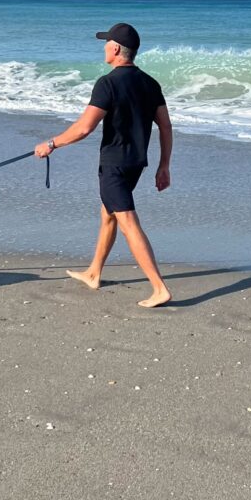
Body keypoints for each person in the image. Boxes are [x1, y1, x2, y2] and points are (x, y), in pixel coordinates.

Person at [34, 22, 172, 308]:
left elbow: (84, 128)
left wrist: (51, 144)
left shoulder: (107, 83)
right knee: (108, 214)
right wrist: (164, 165)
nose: (103, 47)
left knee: (128, 223)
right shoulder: (150, 83)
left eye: (106, 42)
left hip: (114, 165)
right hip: (137, 163)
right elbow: (166, 126)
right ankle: (94, 272)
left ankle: (159, 288)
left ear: (116, 49)